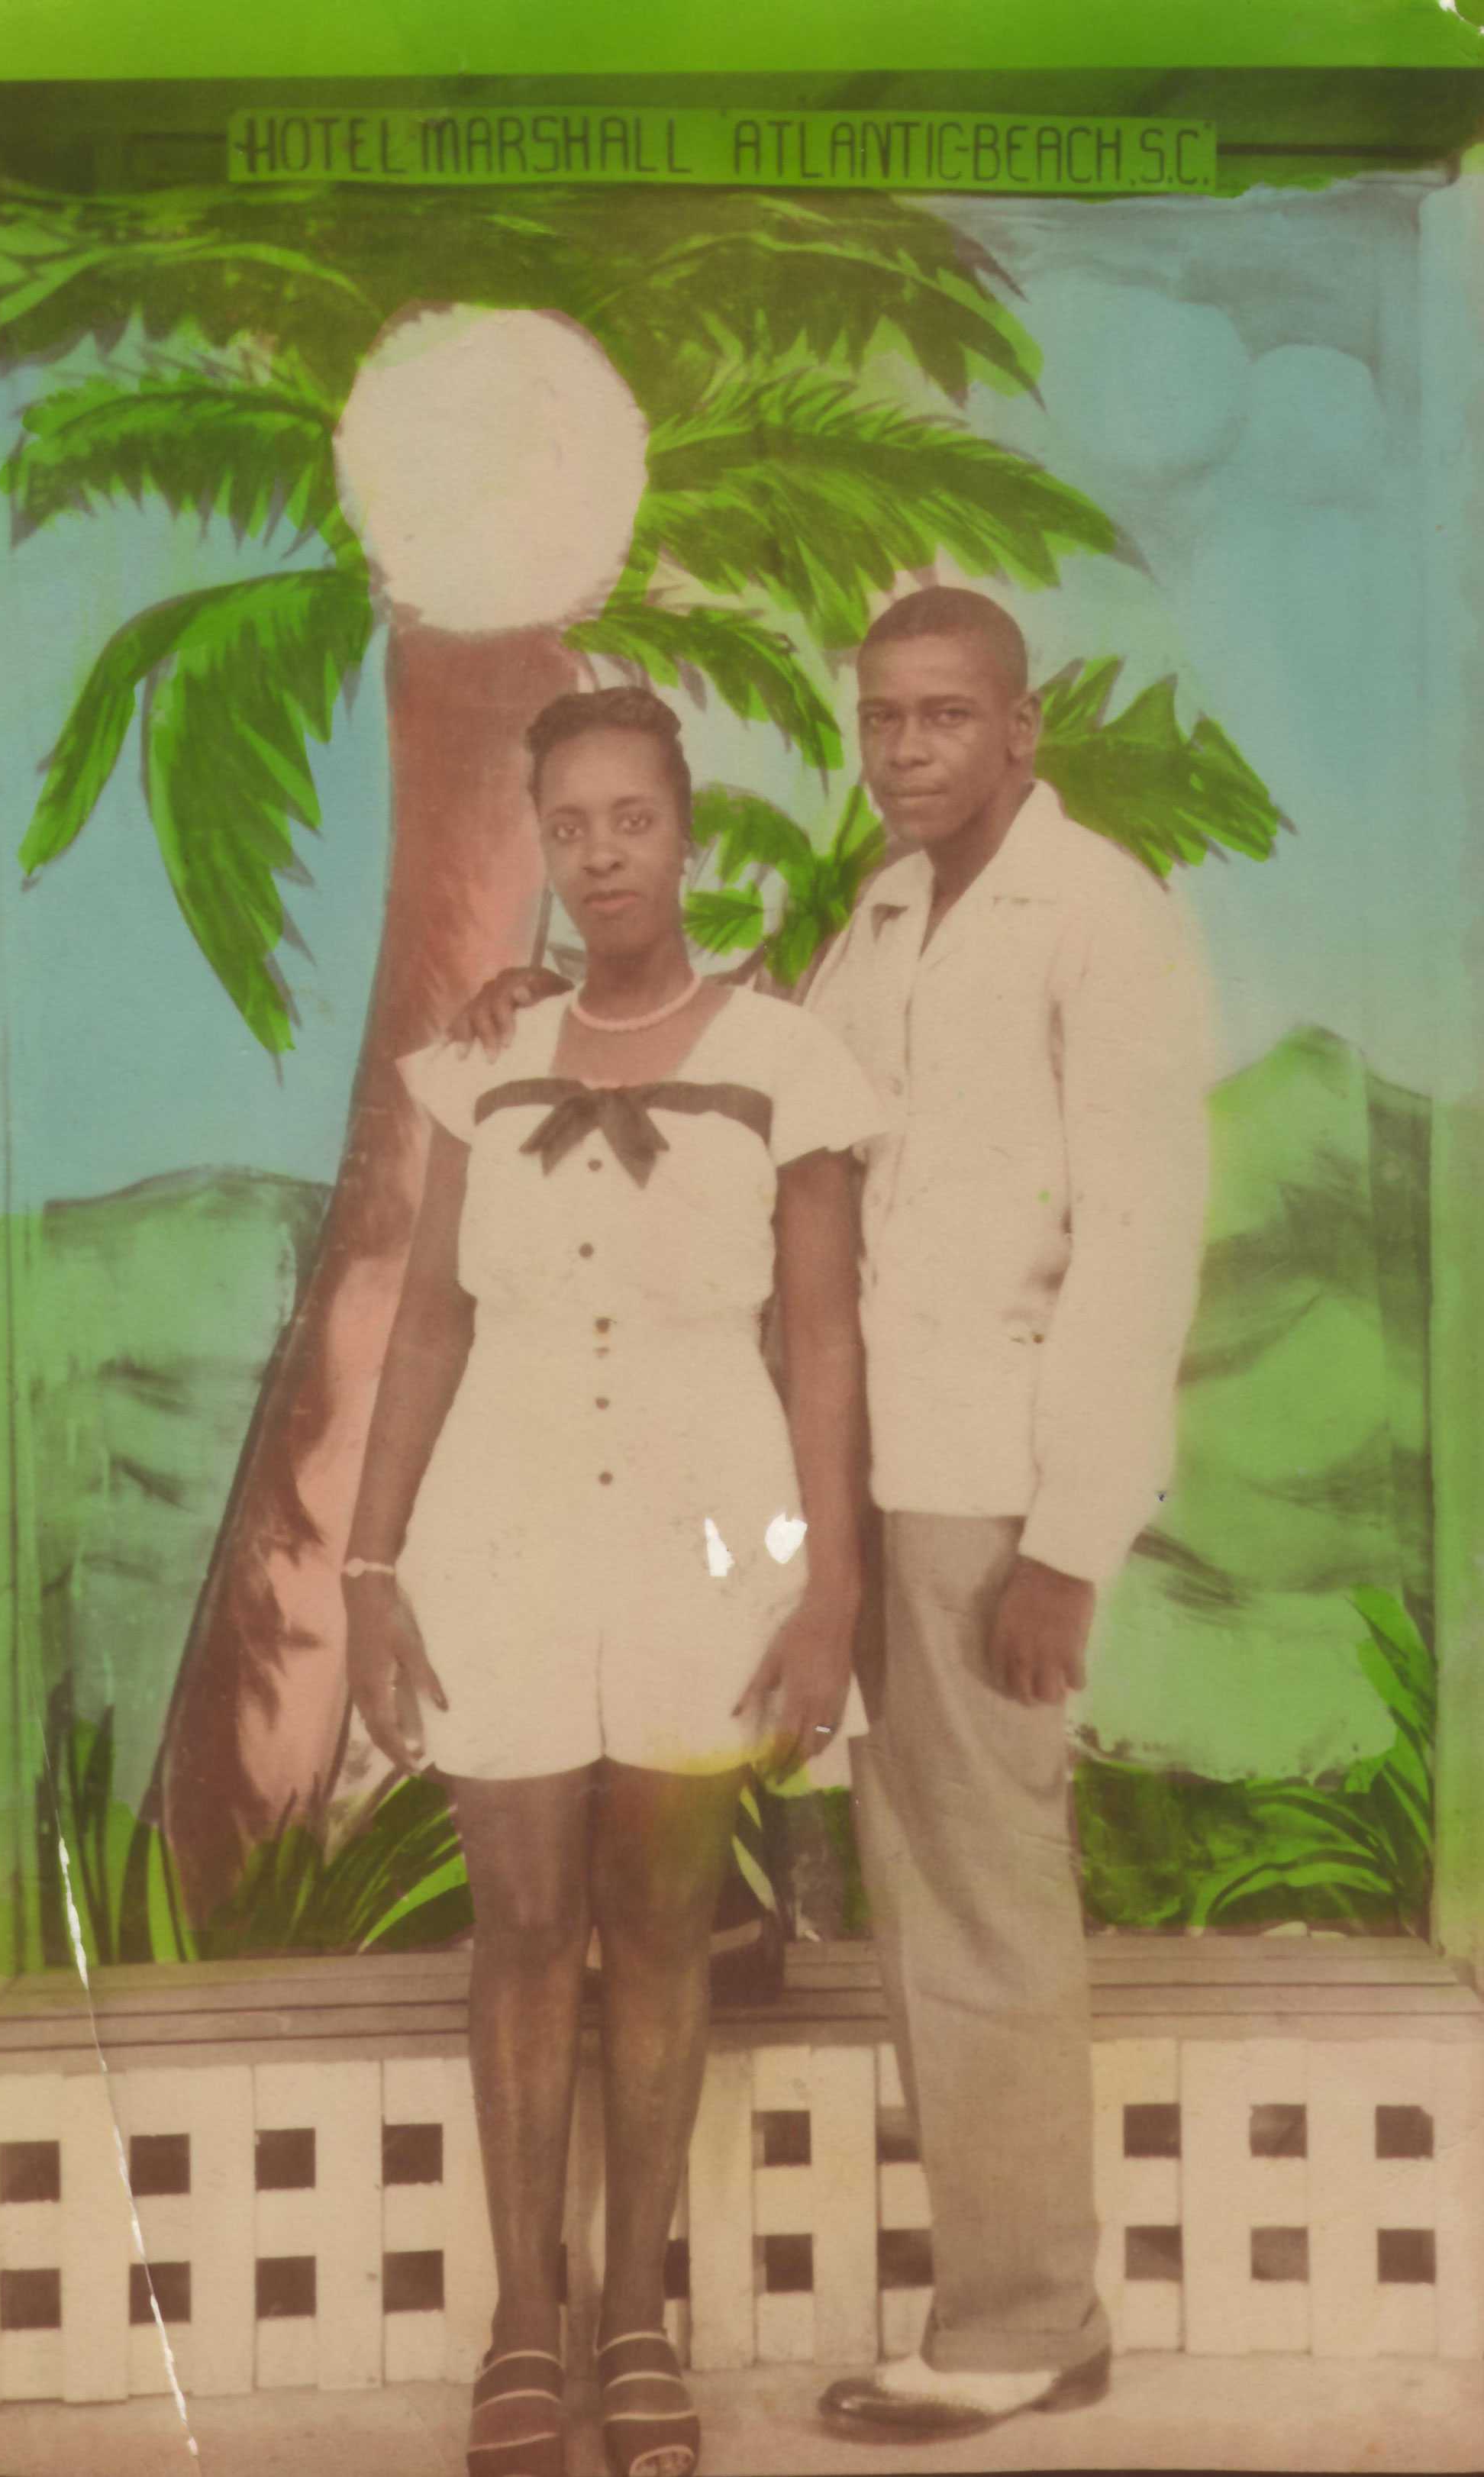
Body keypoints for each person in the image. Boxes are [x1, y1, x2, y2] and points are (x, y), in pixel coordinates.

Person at [457, 588, 1211, 2446]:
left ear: (1021, 731)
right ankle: (951, 2296)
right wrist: (530, 1010)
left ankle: (1026, 2321)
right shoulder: (877, 924)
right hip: (851, 1478)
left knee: (981, 1895)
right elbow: (744, 1097)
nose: (903, 752)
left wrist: (1068, 1541)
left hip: (992, 1489)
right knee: (868, 1854)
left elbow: (1137, 1248)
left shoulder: (1102, 919)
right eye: (880, 720)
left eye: (945, 719)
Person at [342, 682, 882, 2477]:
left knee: (655, 1926)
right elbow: (425, 1325)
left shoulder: (786, 1057)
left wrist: (827, 1591)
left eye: (629, 820)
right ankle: (521, 2321)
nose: (600, 856)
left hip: (703, 1524)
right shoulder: (481, 1059)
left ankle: (632, 2316)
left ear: (686, 831)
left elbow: (819, 1342)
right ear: (548, 850)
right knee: (517, 1927)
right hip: (498, 1528)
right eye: (567, 827)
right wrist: (369, 1565)